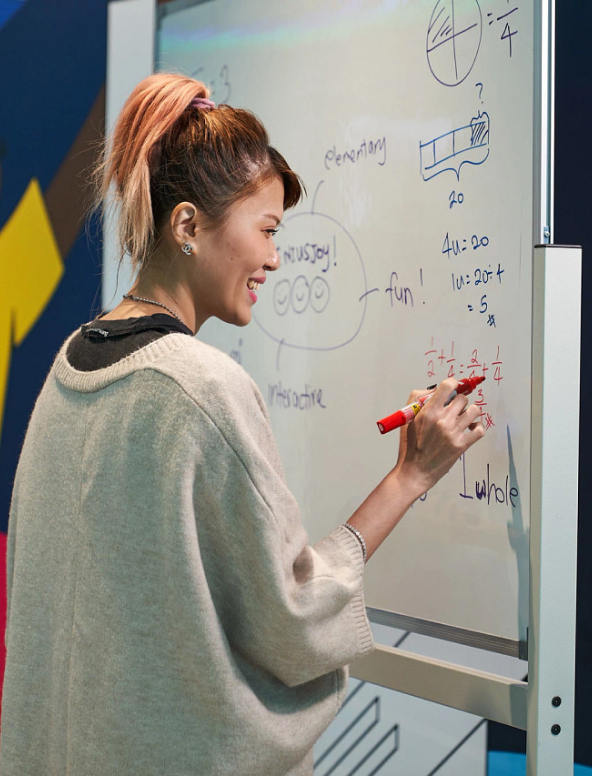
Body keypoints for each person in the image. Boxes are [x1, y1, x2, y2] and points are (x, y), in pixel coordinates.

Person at [0, 73, 485, 775]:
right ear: (189, 225)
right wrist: (410, 476)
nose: (275, 258)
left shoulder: (69, 366)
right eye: (266, 230)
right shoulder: (201, 387)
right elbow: (293, 620)